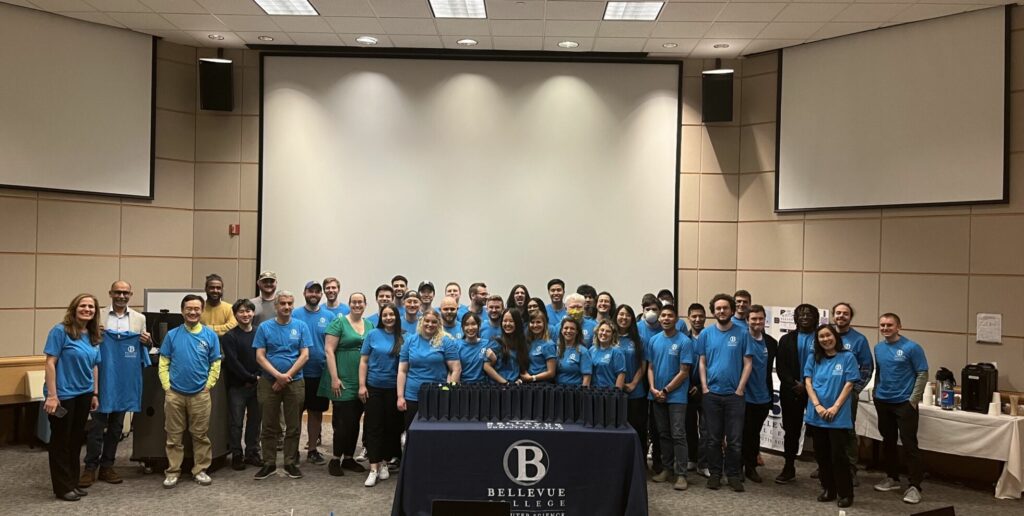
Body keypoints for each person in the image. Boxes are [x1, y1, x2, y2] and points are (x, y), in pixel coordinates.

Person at [81, 281, 150, 488]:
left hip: (123, 383)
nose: (121, 295)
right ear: (110, 293)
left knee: (116, 428)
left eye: (125, 292)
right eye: (118, 292)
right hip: (100, 380)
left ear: (131, 294)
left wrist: (147, 342)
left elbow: (145, 346)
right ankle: (90, 467)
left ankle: (107, 466)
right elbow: (83, 342)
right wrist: (94, 334)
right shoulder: (97, 314)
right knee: (96, 427)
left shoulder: (140, 319)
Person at [43, 293, 103, 502]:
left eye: (91, 307)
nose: (87, 309)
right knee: (61, 442)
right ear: (74, 308)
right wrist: (52, 396)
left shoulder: (93, 334)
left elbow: (94, 365)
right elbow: (50, 363)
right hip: (63, 395)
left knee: (76, 440)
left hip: (84, 394)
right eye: (83, 306)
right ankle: (62, 487)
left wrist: (95, 392)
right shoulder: (60, 331)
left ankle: (72, 483)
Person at [159, 294, 222, 489]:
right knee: (173, 436)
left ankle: (200, 470)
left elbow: (216, 363)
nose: (193, 312)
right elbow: (164, 363)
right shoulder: (172, 335)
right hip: (175, 394)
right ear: (182, 311)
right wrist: (167, 388)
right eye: (189, 308)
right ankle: (173, 471)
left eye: (196, 309)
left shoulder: (210, 335)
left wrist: (209, 385)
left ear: (202, 311)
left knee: (200, 435)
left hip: (200, 394)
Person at [697, 294, 754, 492]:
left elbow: (748, 363)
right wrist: (704, 387)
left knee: (735, 440)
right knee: (713, 438)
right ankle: (714, 474)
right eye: (718, 308)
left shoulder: (743, 333)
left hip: (735, 396)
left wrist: (740, 388)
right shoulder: (706, 334)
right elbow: (702, 362)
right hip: (711, 394)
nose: (722, 311)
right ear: (713, 312)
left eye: (725, 308)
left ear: (731, 310)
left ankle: (733, 475)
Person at [253, 291, 311, 481]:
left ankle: (290, 462)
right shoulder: (264, 327)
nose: (287, 307)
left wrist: (287, 377)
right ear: (276, 306)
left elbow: (305, 355)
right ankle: (268, 463)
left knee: (293, 426)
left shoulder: (301, 326)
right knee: (268, 425)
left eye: (290, 303)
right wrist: (278, 376)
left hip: (295, 382)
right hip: (268, 382)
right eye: (283, 304)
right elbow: (260, 356)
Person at [872, 313, 929, 505]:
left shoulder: (911, 347)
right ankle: (892, 478)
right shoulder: (878, 348)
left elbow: (922, 373)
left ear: (899, 327)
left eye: (889, 325)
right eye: (882, 325)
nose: (885, 328)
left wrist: (913, 400)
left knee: (909, 444)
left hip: (904, 403)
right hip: (883, 401)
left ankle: (915, 486)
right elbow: (879, 372)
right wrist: (875, 393)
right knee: (887, 441)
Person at [805, 324, 860, 508]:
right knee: (821, 456)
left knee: (839, 457)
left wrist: (835, 407)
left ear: (835, 337)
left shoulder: (847, 357)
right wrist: (818, 405)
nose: (825, 339)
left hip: (838, 416)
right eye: (821, 337)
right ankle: (828, 489)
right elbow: (808, 382)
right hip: (817, 414)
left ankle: (845, 493)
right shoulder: (814, 357)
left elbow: (849, 384)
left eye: (828, 335)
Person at [321, 292, 373, 475]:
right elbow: (329, 350)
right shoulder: (339, 322)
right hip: (342, 378)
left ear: (365, 304)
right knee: (342, 421)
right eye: (354, 302)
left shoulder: (369, 324)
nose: (357, 304)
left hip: (361, 380)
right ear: (349, 304)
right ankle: (335, 459)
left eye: (361, 302)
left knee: (355, 420)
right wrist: (335, 378)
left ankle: (349, 458)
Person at [646, 304, 693, 491]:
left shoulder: (684, 341)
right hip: (656, 396)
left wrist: (665, 390)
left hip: (676, 397)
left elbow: (684, 372)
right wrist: (652, 388)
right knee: (663, 435)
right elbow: (650, 367)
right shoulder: (654, 340)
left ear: (676, 319)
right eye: (663, 315)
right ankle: (667, 469)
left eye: (670, 316)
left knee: (678, 434)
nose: (666, 318)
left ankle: (681, 474)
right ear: (659, 318)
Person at [358, 303, 404, 486]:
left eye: (391, 315)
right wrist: (362, 385)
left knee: (390, 428)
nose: (388, 318)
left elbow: (404, 367)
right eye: (385, 315)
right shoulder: (372, 335)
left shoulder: (402, 338)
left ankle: (384, 462)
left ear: (396, 317)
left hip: (393, 389)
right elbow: (363, 361)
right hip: (374, 387)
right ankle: (374, 468)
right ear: (381, 317)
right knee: (374, 427)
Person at [775, 304, 820, 484]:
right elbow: (781, 367)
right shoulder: (786, 340)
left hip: (817, 392)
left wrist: (809, 385)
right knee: (791, 431)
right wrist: (795, 384)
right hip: (792, 391)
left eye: (809, 314)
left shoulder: (822, 338)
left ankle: (823, 467)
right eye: (801, 314)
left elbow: (827, 365)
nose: (805, 317)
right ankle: (789, 466)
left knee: (819, 431)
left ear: (816, 318)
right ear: (795, 318)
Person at [291, 281, 332, 466]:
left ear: (321, 294)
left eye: (317, 291)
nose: (314, 294)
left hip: (320, 373)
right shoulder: (294, 314)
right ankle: (293, 450)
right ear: (304, 292)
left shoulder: (329, 316)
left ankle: (312, 450)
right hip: (297, 373)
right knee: (295, 413)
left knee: (316, 413)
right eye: (310, 291)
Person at [833, 302, 874, 486]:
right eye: (838, 313)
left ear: (850, 317)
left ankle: (850, 468)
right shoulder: (826, 335)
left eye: (845, 313)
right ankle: (826, 465)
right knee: (824, 430)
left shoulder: (859, 340)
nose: (841, 316)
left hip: (848, 393)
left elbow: (867, 367)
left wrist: (856, 389)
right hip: (826, 393)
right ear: (833, 316)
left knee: (847, 431)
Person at [397, 311, 461, 429]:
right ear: (421, 322)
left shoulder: (446, 341)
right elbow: (402, 371)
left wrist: (450, 392)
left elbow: (456, 369)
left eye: (434, 322)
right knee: (411, 431)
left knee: (435, 433)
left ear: (438, 324)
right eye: (427, 321)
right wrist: (400, 396)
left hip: (437, 395)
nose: (430, 324)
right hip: (412, 396)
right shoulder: (410, 340)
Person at [221, 299, 263, 470]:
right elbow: (233, 362)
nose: (245, 315)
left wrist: (259, 376)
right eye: (241, 312)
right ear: (235, 315)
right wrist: (251, 377)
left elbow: (264, 356)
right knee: (236, 422)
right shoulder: (229, 336)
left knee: (255, 421)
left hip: (259, 385)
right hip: (238, 386)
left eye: (248, 311)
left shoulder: (260, 332)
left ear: (253, 313)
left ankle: (252, 452)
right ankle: (237, 453)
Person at [741, 305, 777, 483]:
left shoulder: (771, 342)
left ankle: (751, 467)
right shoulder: (741, 338)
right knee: (740, 433)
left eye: (760, 318)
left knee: (754, 434)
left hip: (762, 396)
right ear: (747, 320)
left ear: (765, 320)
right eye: (753, 318)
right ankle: (738, 467)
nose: (757, 322)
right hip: (742, 395)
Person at [615, 305, 648, 468]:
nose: (623, 318)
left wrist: (634, 383)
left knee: (637, 429)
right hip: (615, 392)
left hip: (635, 391)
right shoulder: (610, 337)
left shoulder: (638, 339)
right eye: (621, 314)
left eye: (627, 315)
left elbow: (643, 364)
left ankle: (639, 465)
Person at [685, 302, 709, 477]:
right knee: (688, 427)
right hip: (685, 389)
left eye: (701, 316)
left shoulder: (711, 337)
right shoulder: (682, 338)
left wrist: (701, 386)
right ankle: (691, 459)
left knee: (706, 428)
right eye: (694, 316)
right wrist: (689, 386)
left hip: (707, 389)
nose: (697, 319)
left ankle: (704, 463)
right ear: (688, 318)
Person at [483, 308, 529, 385]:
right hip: (498, 387)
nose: (507, 324)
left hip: (515, 387)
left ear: (517, 323)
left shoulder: (522, 343)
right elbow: (486, 367)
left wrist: (519, 380)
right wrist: (505, 383)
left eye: (511, 321)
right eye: (505, 321)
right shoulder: (497, 342)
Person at [522, 310, 556, 384]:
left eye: (538, 322)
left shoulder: (548, 344)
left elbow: (551, 373)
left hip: (543, 385)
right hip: (528, 383)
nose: (535, 325)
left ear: (544, 324)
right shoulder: (528, 342)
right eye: (532, 322)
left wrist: (532, 378)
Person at [457, 312, 492, 384]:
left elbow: (490, 366)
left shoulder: (486, 343)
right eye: (466, 325)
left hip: (482, 387)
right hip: (463, 387)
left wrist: (493, 359)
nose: (470, 328)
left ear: (479, 326)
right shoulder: (456, 345)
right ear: (462, 327)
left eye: (473, 324)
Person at [590, 320, 626, 389]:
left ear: (613, 335)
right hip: (593, 392)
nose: (604, 333)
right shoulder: (592, 350)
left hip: (609, 393)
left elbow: (621, 374)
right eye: (602, 330)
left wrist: (616, 394)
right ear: (597, 332)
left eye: (608, 331)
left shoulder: (617, 352)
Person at [555, 318, 592, 386]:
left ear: (577, 331)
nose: (568, 331)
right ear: (561, 330)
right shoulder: (557, 349)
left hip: (575, 391)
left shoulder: (583, 351)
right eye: (566, 328)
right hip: (558, 390)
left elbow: (587, 378)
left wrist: (583, 394)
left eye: (572, 328)